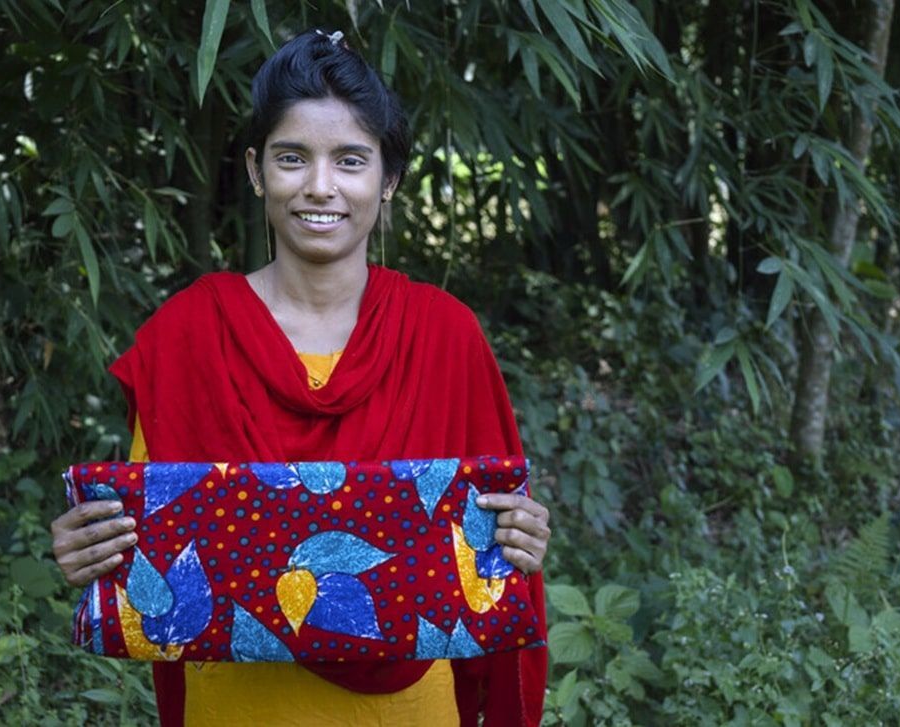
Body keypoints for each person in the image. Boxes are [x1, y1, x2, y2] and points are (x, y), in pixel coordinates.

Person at [50, 28, 551, 726]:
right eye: (292, 158)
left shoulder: (444, 335)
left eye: (350, 160)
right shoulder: (187, 334)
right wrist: (90, 551)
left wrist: (522, 539)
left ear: (390, 179)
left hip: (409, 707)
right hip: (234, 706)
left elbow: (493, 544)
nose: (320, 186)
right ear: (257, 171)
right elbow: (153, 551)